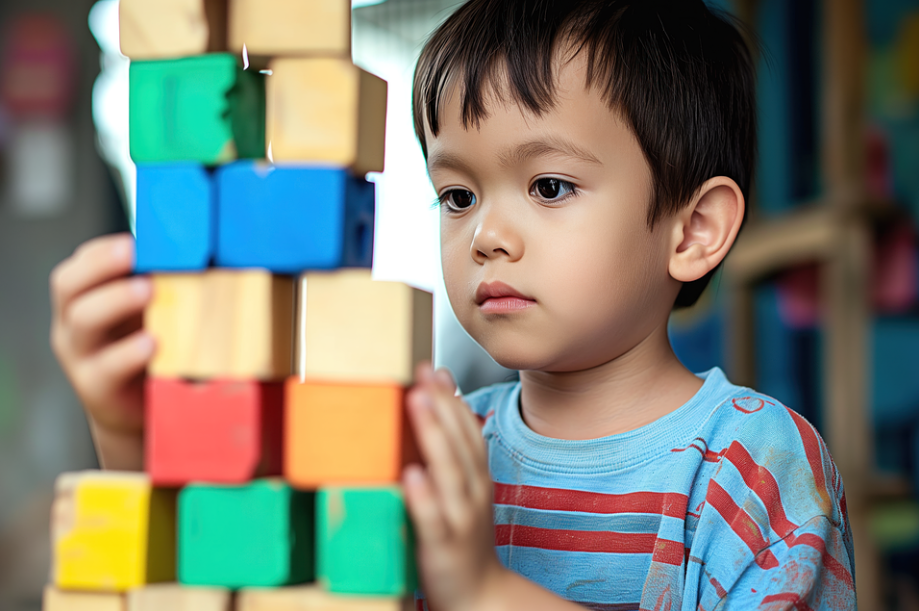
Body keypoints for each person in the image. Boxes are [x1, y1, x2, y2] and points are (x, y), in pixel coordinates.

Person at [50, 0, 856, 609]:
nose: (485, 234)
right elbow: (239, 576)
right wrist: (134, 430)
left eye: (548, 186)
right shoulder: (435, 442)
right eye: (457, 193)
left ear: (693, 229)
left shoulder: (755, 465)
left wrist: (485, 589)